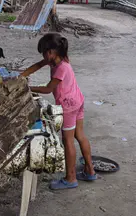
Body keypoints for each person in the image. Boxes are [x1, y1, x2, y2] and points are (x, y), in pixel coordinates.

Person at [21, 33, 96, 190]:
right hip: (78, 100)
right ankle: (90, 171)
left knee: (67, 140)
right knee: (80, 136)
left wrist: (27, 87)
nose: (43, 57)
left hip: (68, 106)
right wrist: (20, 76)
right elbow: (38, 65)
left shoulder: (60, 69)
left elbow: (48, 89)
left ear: (50, 52)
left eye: (43, 53)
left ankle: (70, 178)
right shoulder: (60, 59)